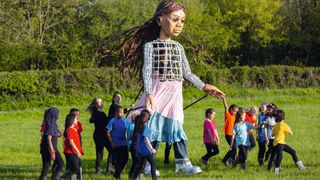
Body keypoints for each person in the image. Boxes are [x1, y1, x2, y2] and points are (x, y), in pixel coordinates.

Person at [117, 1, 225, 175]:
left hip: (175, 94)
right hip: (157, 92)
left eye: (182, 21)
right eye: (175, 19)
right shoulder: (150, 46)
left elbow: (187, 73)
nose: (179, 25)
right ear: (160, 19)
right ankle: (146, 164)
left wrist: (204, 86)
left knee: (177, 126)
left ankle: (182, 163)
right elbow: (146, 71)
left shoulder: (179, 47)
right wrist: (149, 92)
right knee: (153, 128)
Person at [272, 109, 306, 174]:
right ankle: (276, 170)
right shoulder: (284, 125)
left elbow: (272, 134)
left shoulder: (276, 125)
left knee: (292, 152)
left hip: (277, 143)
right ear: (283, 117)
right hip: (280, 143)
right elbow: (291, 133)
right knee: (280, 156)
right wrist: (289, 128)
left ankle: (300, 167)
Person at [87, 97, 112, 175]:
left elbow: (92, 120)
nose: (100, 103)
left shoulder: (97, 113)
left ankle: (108, 169)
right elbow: (106, 121)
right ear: (95, 104)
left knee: (111, 150)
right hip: (100, 135)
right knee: (100, 153)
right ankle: (100, 171)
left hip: (102, 134)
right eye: (98, 102)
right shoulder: (98, 113)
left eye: (100, 102)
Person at [39, 107, 64, 180]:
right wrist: (52, 151)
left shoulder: (50, 122)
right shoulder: (51, 125)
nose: (58, 116)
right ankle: (56, 178)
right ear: (54, 114)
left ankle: (43, 178)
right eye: (57, 114)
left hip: (45, 147)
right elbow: (49, 138)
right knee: (60, 163)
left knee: (46, 164)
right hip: (50, 147)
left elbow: (51, 135)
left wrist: (59, 135)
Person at [106, 105, 130, 180]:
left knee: (126, 158)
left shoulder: (125, 120)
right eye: (120, 112)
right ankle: (118, 176)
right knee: (118, 160)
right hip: (116, 144)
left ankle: (117, 172)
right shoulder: (112, 120)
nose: (122, 114)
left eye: (123, 112)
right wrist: (111, 141)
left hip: (124, 143)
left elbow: (132, 125)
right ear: (116, 112)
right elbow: (107, 132)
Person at [132, 110, 157, 180]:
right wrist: (152, 148)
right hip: (146, 149)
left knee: (141, 166)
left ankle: (134, 178)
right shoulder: (145, 126)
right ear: (147, 118)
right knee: (153, 164)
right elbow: (146, 138)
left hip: (139, 149)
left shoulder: (138, 124)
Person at [62, 114, 83, 180]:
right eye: (76, 119)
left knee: (74, 167)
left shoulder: (74, 128)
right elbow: (71, 142)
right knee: (75, 167)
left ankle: (69, 178)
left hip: (73, 151)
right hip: (70, 151)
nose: (77, 120)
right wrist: (77, 151)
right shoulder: (70, 130)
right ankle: (63, 177)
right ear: (72, 120)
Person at [221, 97, 238, 166]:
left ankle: (231, 160)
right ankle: (225, 159)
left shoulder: (235, 116)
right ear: (230, 109)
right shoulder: (227, 115)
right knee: (233, 148)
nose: (235, 112)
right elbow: (226, 107)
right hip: (228, 135)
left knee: (235, 149)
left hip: (233, 134)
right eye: (234, 111)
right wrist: (224, 99)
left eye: (236, 111)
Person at [69, 108, 83, 179]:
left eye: (78, 115)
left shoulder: (78, 123)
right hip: (71, 147)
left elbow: (79, 134)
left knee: (79, 162)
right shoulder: (69, 125)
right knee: (72, 164)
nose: (77, 116)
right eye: (75, 115)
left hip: (78, 144)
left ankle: (79, 177)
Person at [264, 103, 278, 170]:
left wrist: (273, 125)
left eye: (271, 108)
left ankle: (273, 165)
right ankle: (272, 165)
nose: (269, 109)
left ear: (273, 109)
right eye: (268, 108)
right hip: (270, 137)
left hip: (276, 137)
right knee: (273, 152)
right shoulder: (266, 117)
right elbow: (265, 128)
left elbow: (279, 125)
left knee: (275, 152)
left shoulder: (276, 117)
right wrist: (266, 138)